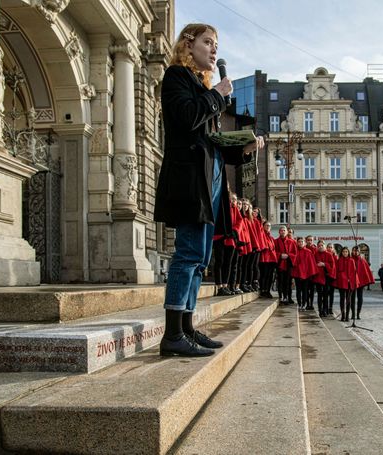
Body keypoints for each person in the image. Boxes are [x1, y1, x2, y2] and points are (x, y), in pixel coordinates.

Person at [154, 23, 264, 357]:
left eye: (216, 45)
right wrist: (217, 94)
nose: (214, 50)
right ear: (188, 44)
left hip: (210, 180)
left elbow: (210, 141)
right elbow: (186, 120)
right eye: (208, 42)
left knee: (201, 259)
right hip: (189, 178)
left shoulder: (202, 88)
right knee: (187, 254)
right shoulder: (176, 77)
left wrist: (241, 150)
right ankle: (172, 333)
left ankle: (187, 328)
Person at [274, 226, 297, 303]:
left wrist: (288, 255)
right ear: (279, 232)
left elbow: (295, 253)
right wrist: (280, 255)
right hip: (280, 263)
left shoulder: (292, 242)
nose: (283, 232)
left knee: (288, 281)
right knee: (280, 281)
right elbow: (274, 252)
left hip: (289, 264)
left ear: (287, 232)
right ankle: (281, 296)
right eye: (281, 230)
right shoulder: (276, 241)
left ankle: (288, 297)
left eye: (284, 230)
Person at [335, 247, 358, 322]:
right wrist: (343, 278)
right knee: (342, 299)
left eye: (346, 252)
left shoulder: (351, 260)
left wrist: (350, 279)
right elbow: (338, 272)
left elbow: (353, 272)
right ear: (341, 252)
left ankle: (347, 316)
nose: (345, 253)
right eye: (343, 251)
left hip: (349, 283)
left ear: (348, 252)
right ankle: (343, 315)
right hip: (342, 282)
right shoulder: (339, 260)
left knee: (348, 300)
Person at [351, 246, 375, 319]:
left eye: (357, 251)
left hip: (360, 282)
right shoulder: (350, 259)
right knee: (352, 298)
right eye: (354, 251)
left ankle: (358, 313)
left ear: (359, 251)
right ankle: (353, 314)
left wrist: (366, 280)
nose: (356, 252)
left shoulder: (362, 260)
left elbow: (366, 270)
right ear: (352, 251)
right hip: (353, 282)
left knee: (360, 298)